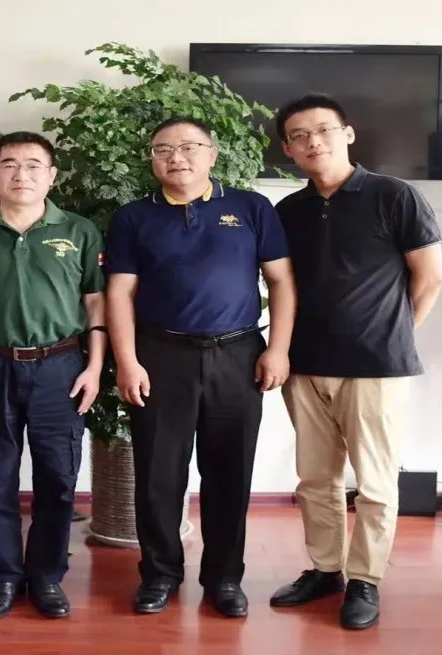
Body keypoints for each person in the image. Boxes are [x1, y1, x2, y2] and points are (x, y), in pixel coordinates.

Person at [105, 116, 296, 618]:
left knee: (229, 473)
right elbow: (120, 293)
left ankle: (225, 579)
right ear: (152, 159)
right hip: (160, 356)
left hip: (238, 355)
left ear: (212, 155)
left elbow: (281, 281)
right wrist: (127, 361)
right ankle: (160, 575)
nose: (177, 157)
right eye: (163, 149)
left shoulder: (251, 208)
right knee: (157, 475)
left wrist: (277, 349)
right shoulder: (133, 217)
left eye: (189, 147)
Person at [268, 93, 442, 630]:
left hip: (376, 367)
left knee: (374, 482)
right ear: (288, 150)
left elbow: (430, 277)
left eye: (323, 130)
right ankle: (326, 570)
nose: (313, 142)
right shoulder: (288, 212)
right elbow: (282, 286)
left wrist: (391, 334)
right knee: (315, 478)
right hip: (305, 365)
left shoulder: (395, 196)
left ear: (347, 134)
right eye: (299, 136)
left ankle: (365, 579)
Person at [0, 131, 106, 620]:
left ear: (51, 176)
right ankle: (6, 577)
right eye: (9, 164)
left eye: (33, 165)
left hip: (61, 369)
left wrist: (95, 367)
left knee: (57, 478)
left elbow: (96, 302)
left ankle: (47, 576)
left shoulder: (78, 231)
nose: (21, 174)